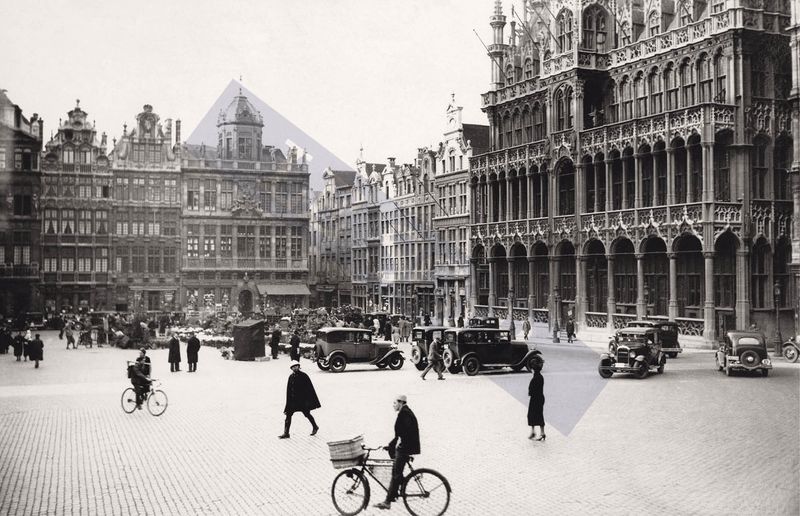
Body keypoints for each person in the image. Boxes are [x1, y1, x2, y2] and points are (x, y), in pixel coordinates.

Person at [374, 394, 420, 510]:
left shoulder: (405, 413)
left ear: (401, 403)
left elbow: (404, 432)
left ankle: (388, 501)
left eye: (395, 403)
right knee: (395, 471)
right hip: (405, 446)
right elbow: (400, 433)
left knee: (396, 474)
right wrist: (391, 445)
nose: (393, 405)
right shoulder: (404, 412)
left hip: (405, 448)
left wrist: (399, 444)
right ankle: (394, 493)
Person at [279, 361, 320, 439]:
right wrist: (287, 404)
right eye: (293, 367)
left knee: (307, 414)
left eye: (296, 366)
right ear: (291, 368)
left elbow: (309, 389)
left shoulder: (304, 376)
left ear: (299, 366)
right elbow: (288, 391)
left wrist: (308, 401)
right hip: (293, 401)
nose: (295, 368)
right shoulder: (291, 377)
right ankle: (286, 433)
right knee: (288, 415)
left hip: (302, 401)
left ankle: (315, 426)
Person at [527, 356, 546, 441]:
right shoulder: (539, 376)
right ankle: (534, 432)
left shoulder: (537, 377)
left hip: (536, 398)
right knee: (533, 414)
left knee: (537, 415)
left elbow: (532, 389)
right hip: (538, 398)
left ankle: (541, 433)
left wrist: (530, 392)